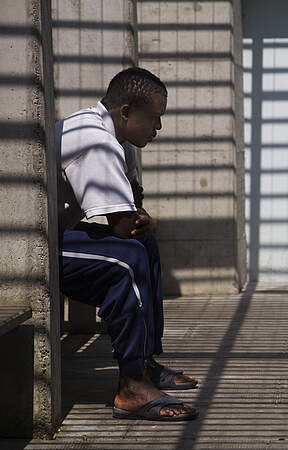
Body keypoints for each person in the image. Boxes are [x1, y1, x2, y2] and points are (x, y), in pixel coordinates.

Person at [57, 67, 198, 421]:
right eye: (155, 118)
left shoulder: (120, 138)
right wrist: (140, 220)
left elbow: (134, 205)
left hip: (56, 236)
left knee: (143, 247)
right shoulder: (97, 140)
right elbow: (122, 225)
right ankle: (132, 386)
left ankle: (145, 364)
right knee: (127, 257)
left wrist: (141, 219)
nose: (158, 128)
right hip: (26, 248)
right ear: (126, 112)